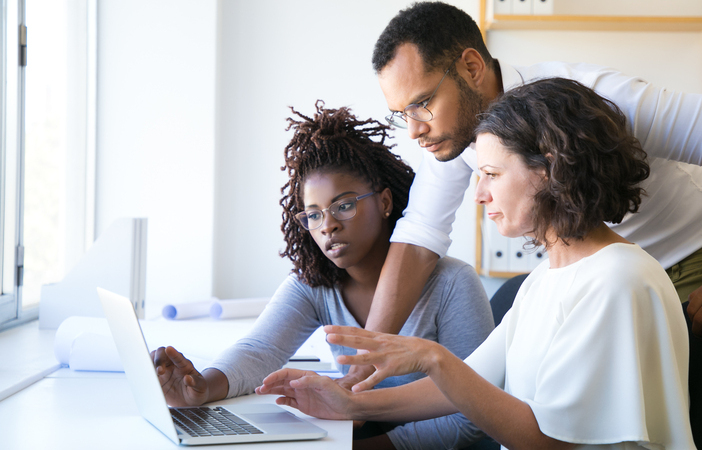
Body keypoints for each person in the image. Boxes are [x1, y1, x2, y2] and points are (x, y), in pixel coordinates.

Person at [340, 1, 702, 388]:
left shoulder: (598, 101)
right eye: (402, 114)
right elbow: (419, 236)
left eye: (421, 103)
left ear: (472, 67)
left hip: (694, 255)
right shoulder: (453, 134)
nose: (414, 129)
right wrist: (363, 367)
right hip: (606, 277)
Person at [257, 78, 696, 450]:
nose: (480, 193)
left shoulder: (617, 280)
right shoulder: (547, 277)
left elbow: (547, 442)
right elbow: (467, 385)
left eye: (492, 174)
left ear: (549, 170)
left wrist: (432, 357)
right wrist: (348, 404)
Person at [151, 102, 495, 450]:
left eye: (344, 205)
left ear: (385, 202)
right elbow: (261, 349)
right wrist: (203, 387)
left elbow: (471, 417)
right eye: (313, 215)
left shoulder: (453, 284)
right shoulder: (315, 284)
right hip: (354, 433)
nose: (327, 225)